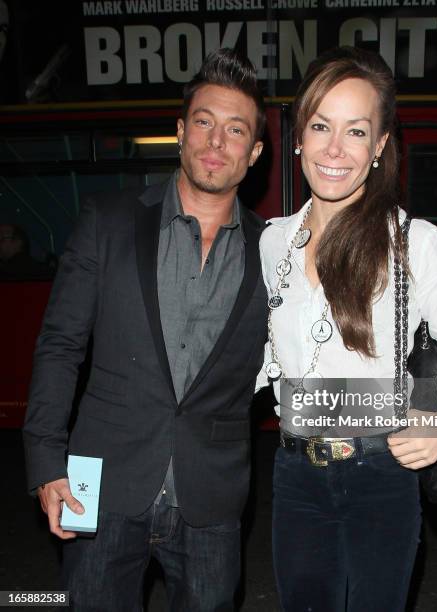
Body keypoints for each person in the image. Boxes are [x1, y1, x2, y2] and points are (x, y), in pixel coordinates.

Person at [257, 46, 437, 611]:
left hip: (381, 469)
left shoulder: (416, 242)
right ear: (298, 135)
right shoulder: (272, 243)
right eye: (320, 126)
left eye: (357, 131)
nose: (334, 149)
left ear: (380, 146)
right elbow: (260, 358)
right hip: (295, 472)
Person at [23, 48, 268, 612]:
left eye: (235, 130)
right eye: (204, 122)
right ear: (181, 131)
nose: (216, 141)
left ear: (253, 152)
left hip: (212, 495)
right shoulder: (108, 222)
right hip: (99, 483)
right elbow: (60, 345)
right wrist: (45, 463)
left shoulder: (275, 252)